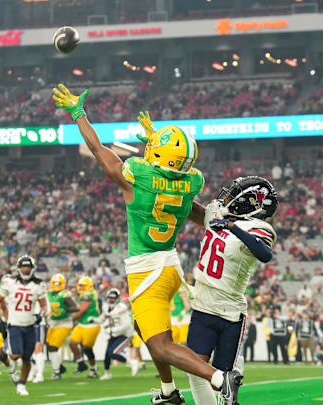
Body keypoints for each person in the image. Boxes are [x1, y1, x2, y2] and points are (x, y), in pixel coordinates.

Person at [52, 85, 242, 405]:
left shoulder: (136, 175)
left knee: (161, 345)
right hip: (169, 265)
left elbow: (99, 149)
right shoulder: (189, 180)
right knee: (142, 327)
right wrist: (157, 141)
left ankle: (221, 379)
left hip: (146, 271)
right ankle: (168, 391)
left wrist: (78, 113)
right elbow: (192, 207)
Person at [185, 176, 278, 405]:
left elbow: (265, 254)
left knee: (225, 378)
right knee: (196, 372)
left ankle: (233, 378)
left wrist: (231, 226)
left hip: (229, 313)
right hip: (203, 306)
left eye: (234, 193)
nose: (226, 197)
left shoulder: (259, 227)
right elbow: (190, 211)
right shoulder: (217, 214)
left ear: (251, 203)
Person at [0, 255, 48, 396]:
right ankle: (7, 361)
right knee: (16, 354)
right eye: (23, 266)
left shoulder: (38, 285)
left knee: (26, 358)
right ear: (19, 268)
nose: (25, 269)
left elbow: (43, 305)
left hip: (30, 325)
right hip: (15, 325)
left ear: (32, 268)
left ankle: (21, 385)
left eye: (28, 266)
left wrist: (40, 315)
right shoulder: (10, 283)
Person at [45, 273, 78, 380]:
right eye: (54, 283)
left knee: (53, 347)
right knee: (49, 346)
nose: (56, 285)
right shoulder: (48, 294)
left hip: (64, 322)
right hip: (53, 323)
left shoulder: (65, 294)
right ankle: (59, 367)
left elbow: (75, 307)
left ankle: (57, 372)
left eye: (58, 283)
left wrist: (65, 310)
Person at [95, 288, 132, 381]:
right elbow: (103, 317)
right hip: (114, 333)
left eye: (113, 298)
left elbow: (127, 324)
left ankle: (130, 361)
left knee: (112, 353)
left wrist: (113, 330)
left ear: (117, 298)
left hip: (124, 333)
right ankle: (107, 373)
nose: (111, 300)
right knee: (107, 355)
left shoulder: (122, 308)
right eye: (110, 298)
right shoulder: (106, 306)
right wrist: (94, 320)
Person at [69, 276, 102, 379]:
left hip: (91, 324)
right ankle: (81, 363)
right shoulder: (90, 292)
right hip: (82, 324)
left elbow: (82, 310)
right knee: (72, 343)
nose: (81, 288)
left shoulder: (87, 294)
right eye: (80, 286)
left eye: (83, 286)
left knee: (87, 348)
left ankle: (94, 369)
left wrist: (71, 319)